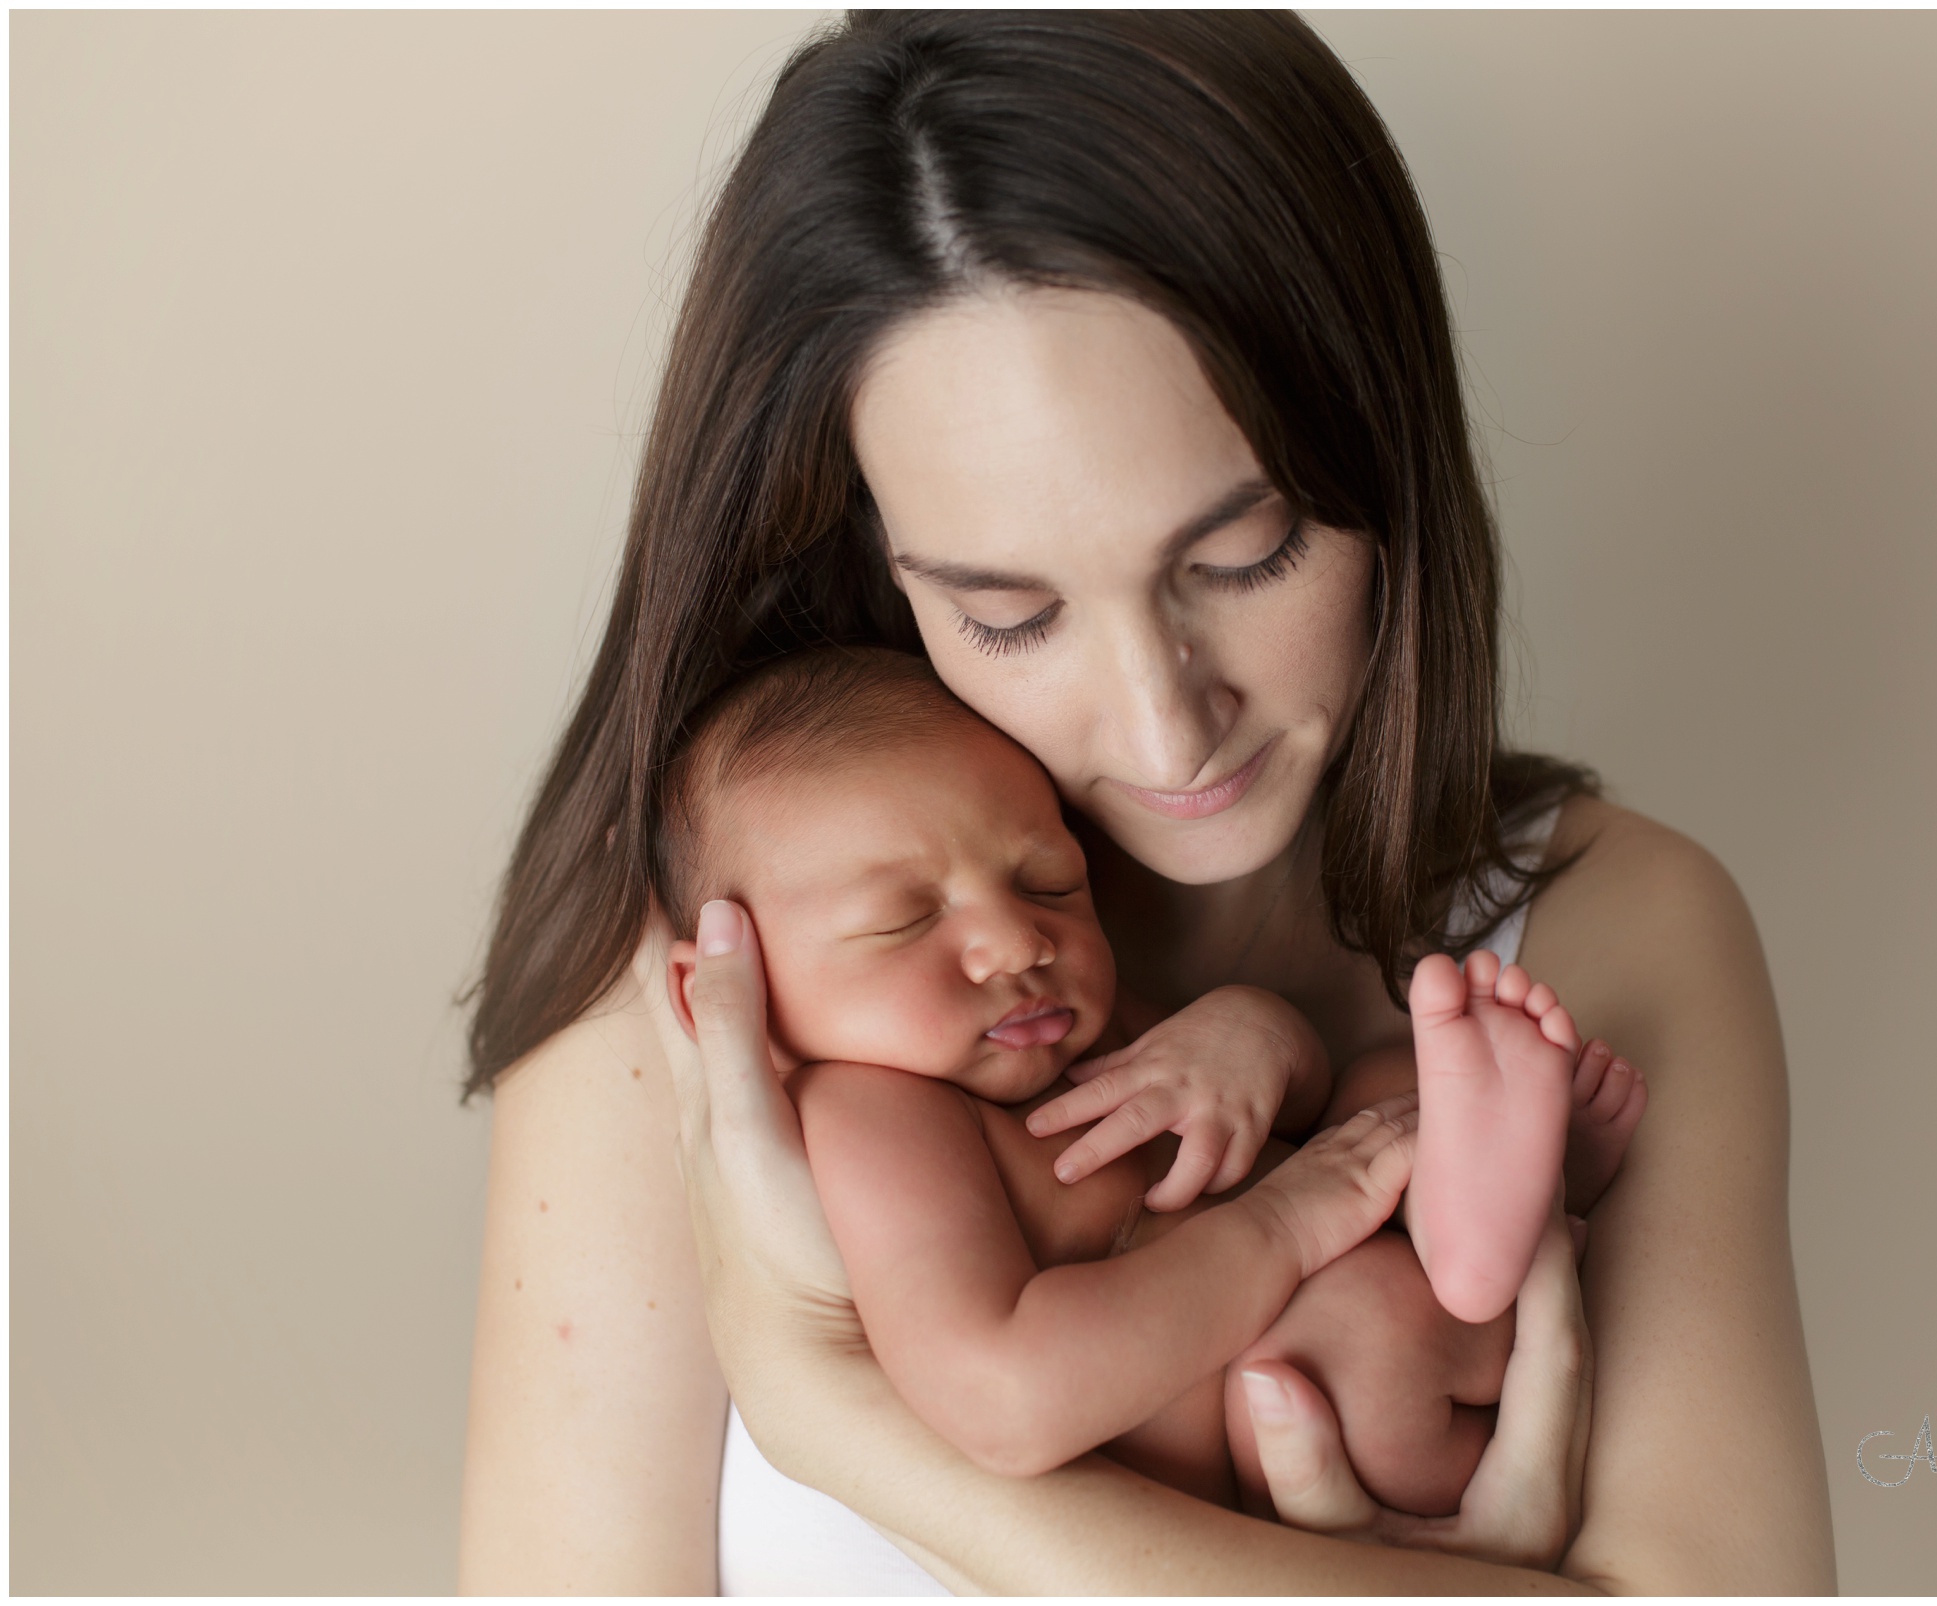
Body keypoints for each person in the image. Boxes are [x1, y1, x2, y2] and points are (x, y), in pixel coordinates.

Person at [458, 11, 1836, 1593]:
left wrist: (842, 1418)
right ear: (869, 551)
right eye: (1012, 612)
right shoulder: (710, 981)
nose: (1165, 720)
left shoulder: (1618, 934)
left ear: (1383, 460)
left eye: (1242, 556)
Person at [647, 645, 1647, 1518]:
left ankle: (1518, 1191)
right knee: (1358, 1336)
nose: (1017, 940)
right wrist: (1290, 1223)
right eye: (904, 921)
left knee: (1384, 1080)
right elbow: (1006, 1399)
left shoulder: (1066, 1026)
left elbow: (1288, 1116)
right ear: (726, 988)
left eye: (1048, 882)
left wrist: (1255, 1040)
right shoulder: (870, 1116)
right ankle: (1491, 1250)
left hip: (1369, 1249)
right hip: (1310, 1401)